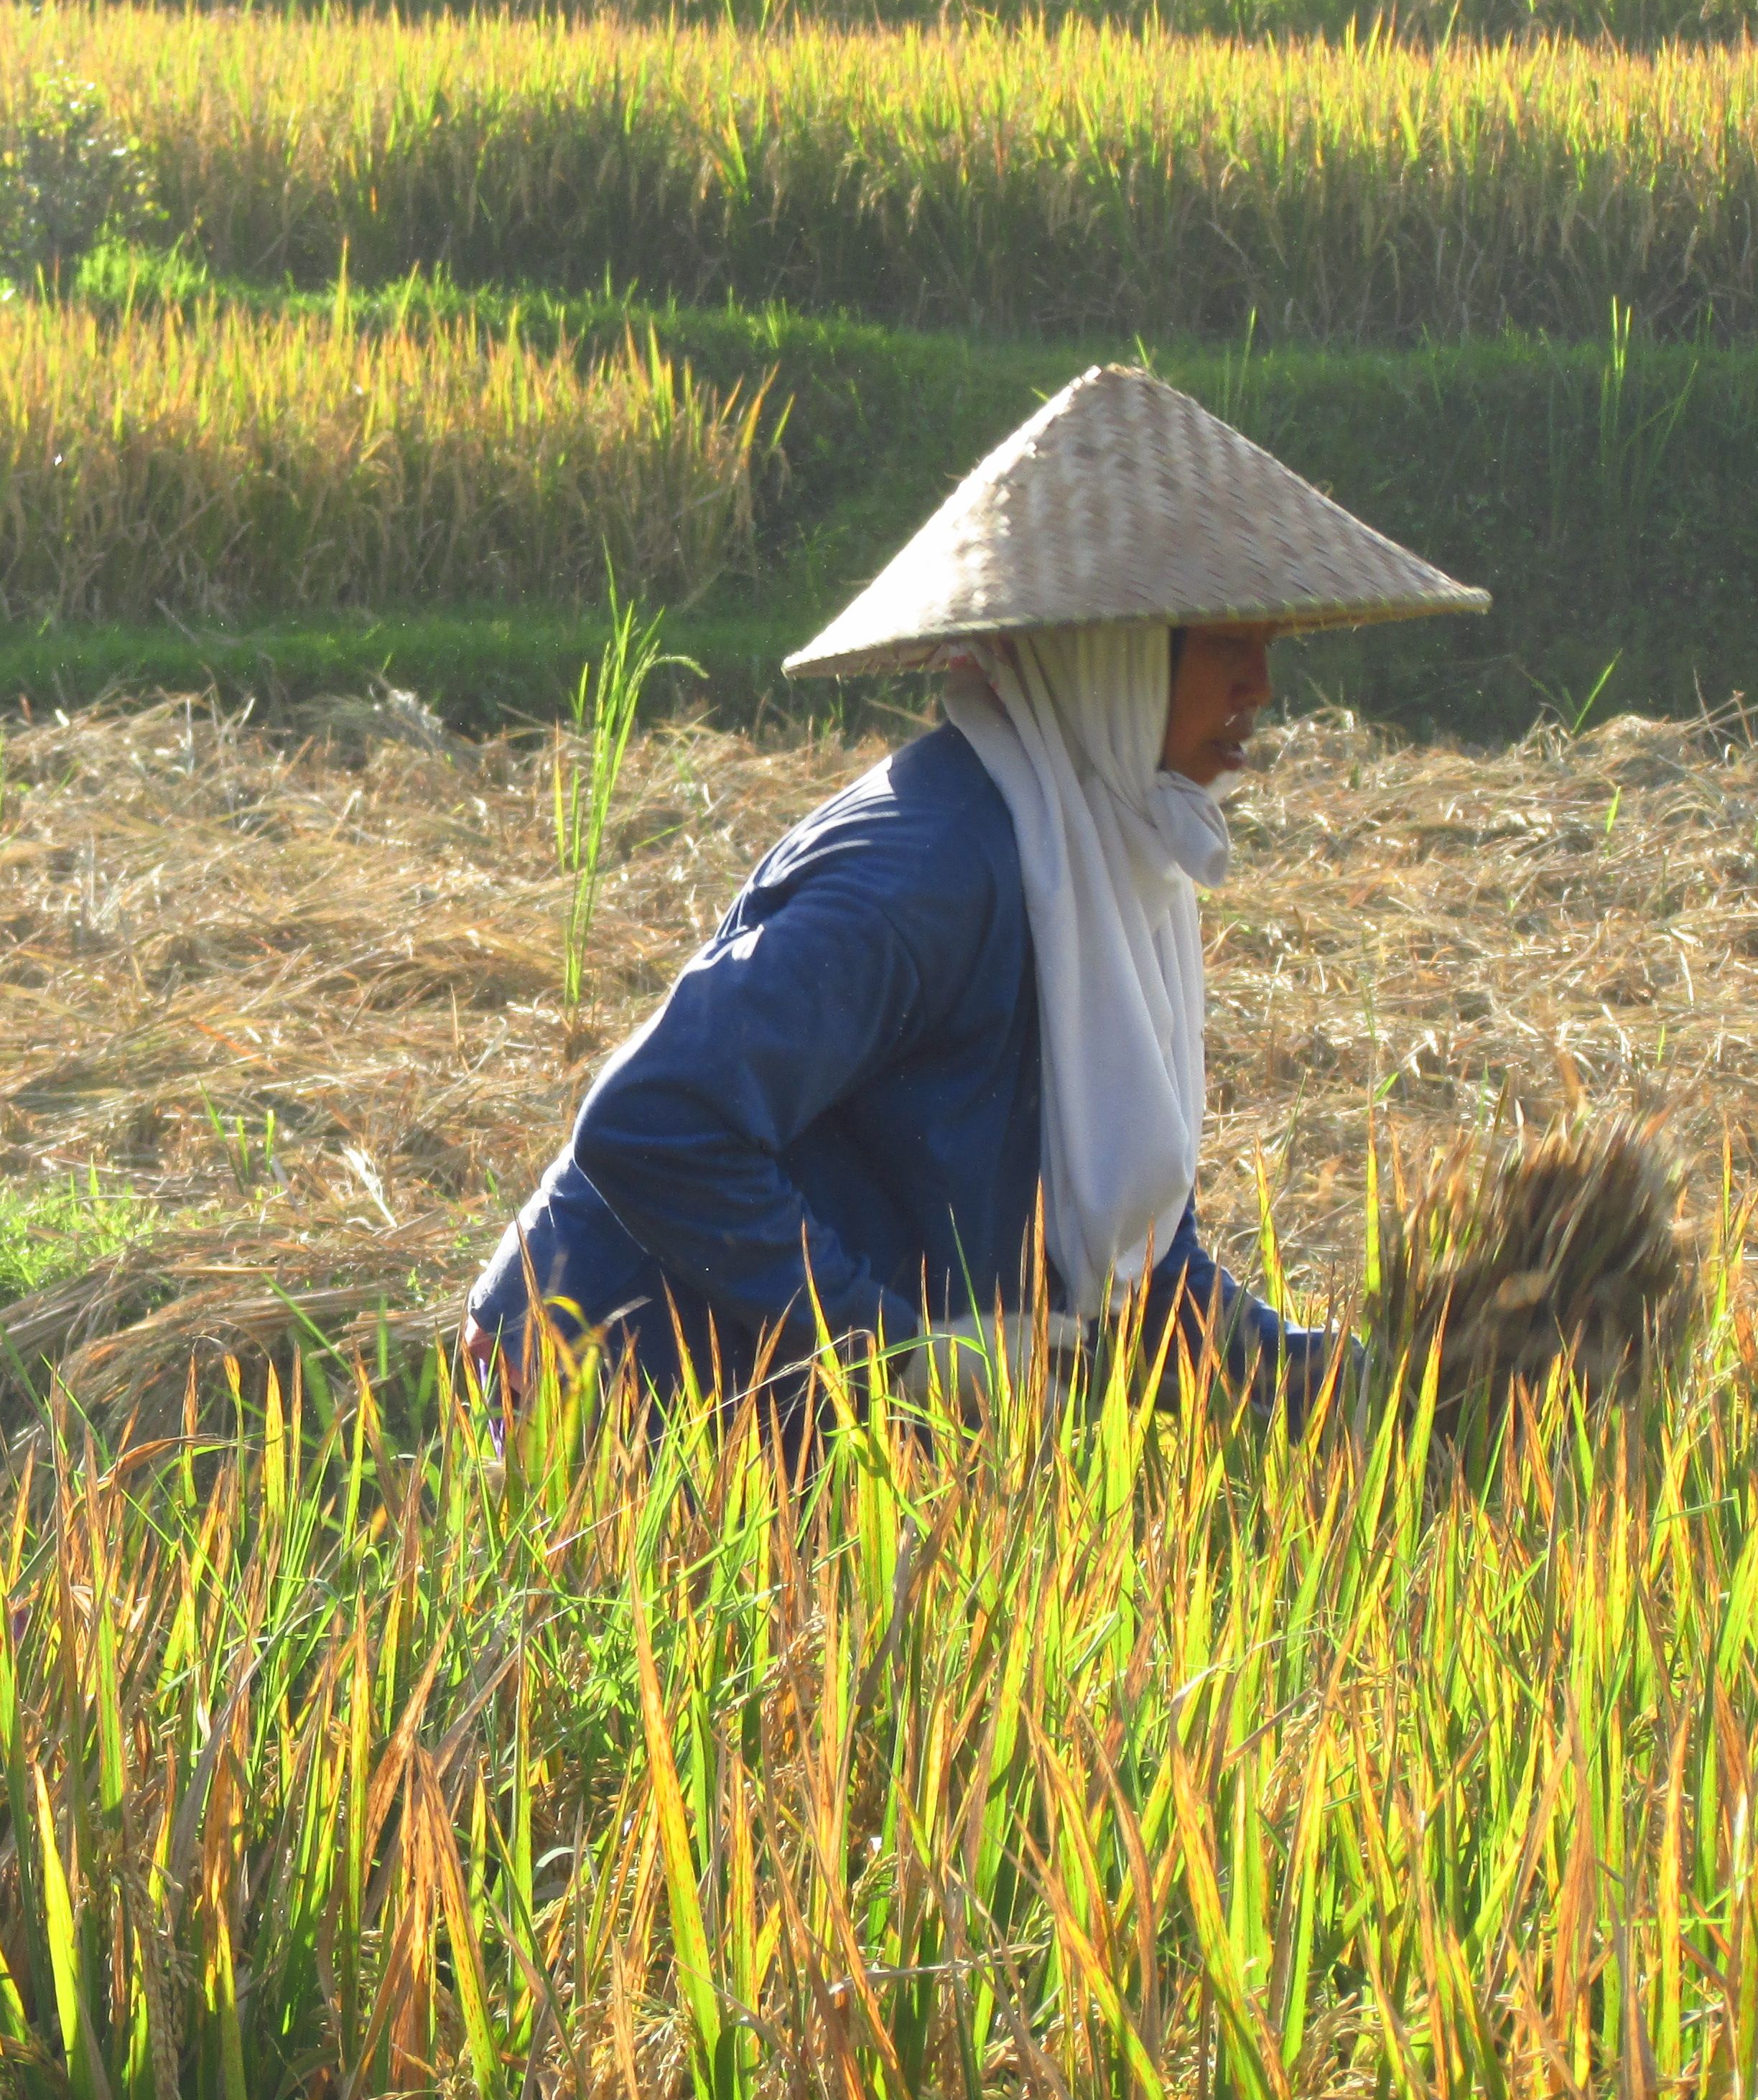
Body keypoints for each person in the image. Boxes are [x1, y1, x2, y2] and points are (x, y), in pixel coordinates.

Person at [470, 365, 1489, 1421]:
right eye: (1230, 646)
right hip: (612, 1391)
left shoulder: (1101, 870)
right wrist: (896, 1356)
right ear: (1115, 659)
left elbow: (1132, 1269)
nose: (1260, 690)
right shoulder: (928, 872)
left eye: (1267, 650)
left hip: (786, 1405)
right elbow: (657, 1122)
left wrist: (1356, 1383)